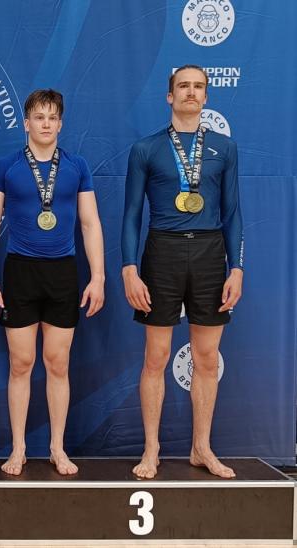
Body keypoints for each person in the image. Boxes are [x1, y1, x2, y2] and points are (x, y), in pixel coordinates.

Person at [121, 64, 243, 479]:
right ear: (169, 96)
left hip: (210, 254)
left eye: (198, 87)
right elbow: (131, 214)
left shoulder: (225, 148)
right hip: (163, 252)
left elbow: (232, 213)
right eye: (183, 86)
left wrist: (236, 267)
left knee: (206, 358)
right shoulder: (146, 148)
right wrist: (129, 269)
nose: (191, 92)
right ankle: (151, 448)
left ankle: (201, 447)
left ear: (206, 96)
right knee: (155, 357)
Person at [0, 89, 104, 475]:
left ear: (60, 124)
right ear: (26, 123)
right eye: (39, 117)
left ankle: (57, 448)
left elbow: (90, 224)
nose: (46, 124)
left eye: (52, 118)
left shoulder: (77, 166)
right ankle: (18, 448)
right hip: (20, 272)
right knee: (21, 363)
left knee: (57, 363)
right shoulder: (7, 166)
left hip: (63, 272)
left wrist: (98, 277)